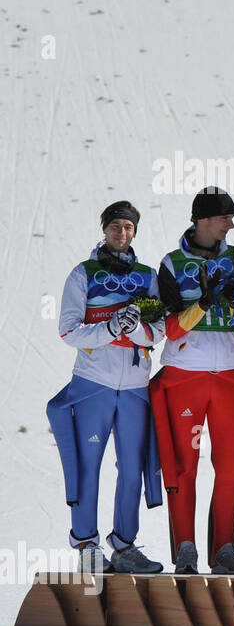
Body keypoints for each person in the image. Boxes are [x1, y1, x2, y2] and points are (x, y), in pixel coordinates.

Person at [152, 187, 234, 575]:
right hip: (185, 375)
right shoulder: (172, 263)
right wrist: (203, 303)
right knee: (184, 466)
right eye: (225, 218)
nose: (232, 225)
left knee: (228, 467)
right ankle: (185, 548)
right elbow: (170, 328)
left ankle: (223, 549)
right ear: (202, 219)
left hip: (228, 376)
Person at [47, 201, 166, 574]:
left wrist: (134, 329)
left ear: (135, 232)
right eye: (115, 225)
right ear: (104, 229)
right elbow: (68, 330)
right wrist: (110, 329)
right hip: (93, 384)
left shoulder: (148, 275)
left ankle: (125, 545)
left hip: (134, 386)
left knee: (132, 468)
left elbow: (160, 330)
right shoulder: (84, 273)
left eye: (128, 227)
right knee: (88, 467)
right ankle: (86, 544)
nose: (121, 232)